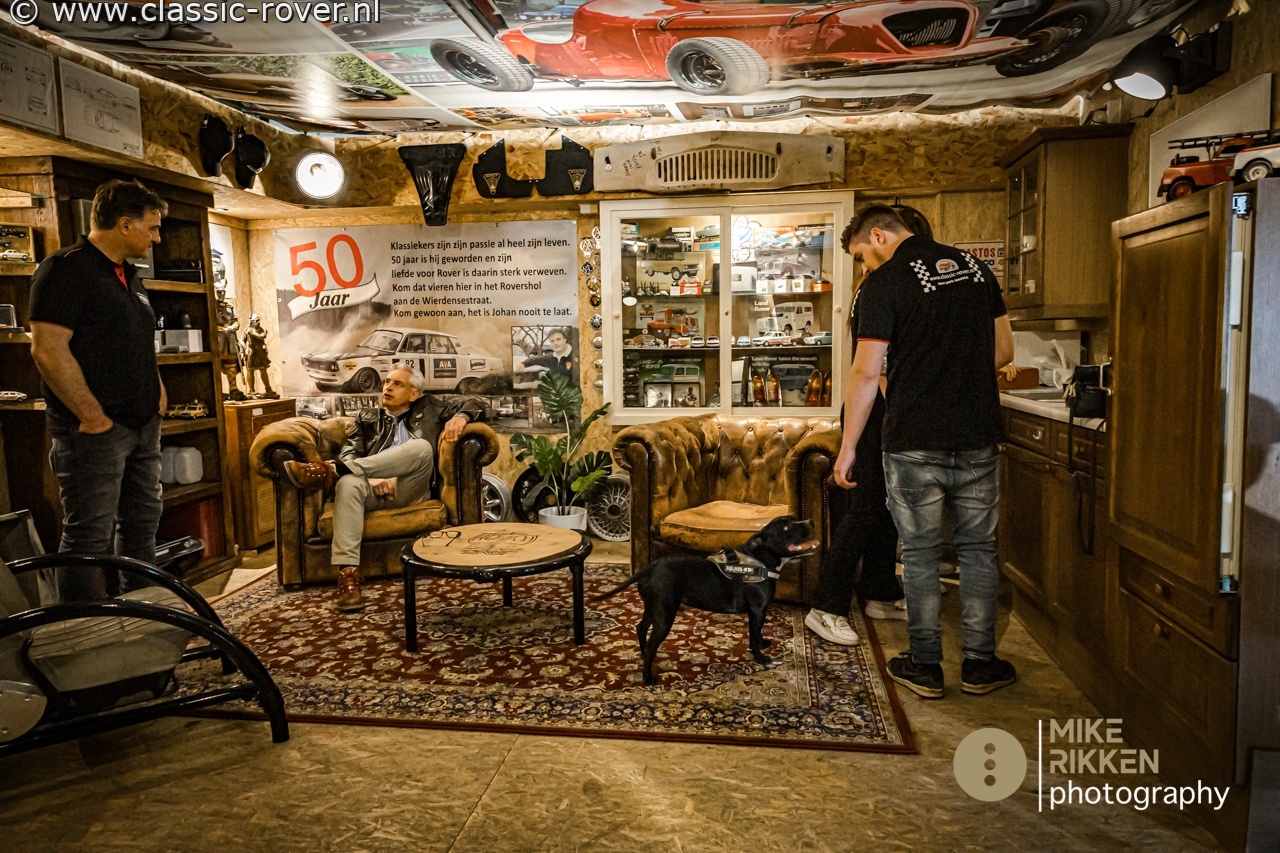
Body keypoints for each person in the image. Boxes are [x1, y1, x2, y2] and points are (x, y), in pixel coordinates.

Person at [838, 205, 1016, 699]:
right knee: (978, 551)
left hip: (914, 437)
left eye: (861, 255)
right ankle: (980, 664)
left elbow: (866, 374)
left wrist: (848, 446)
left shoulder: (884, 284)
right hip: (977, 433)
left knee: (918, 554)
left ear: (878, 235)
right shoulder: (976, 269)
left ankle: (925, 665)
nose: (864, 266)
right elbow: (1005, 351)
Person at [29, 179, 169, 600]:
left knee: (142, 527)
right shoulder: (64, 269)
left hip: (143, 423)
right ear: (124, 225)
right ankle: (82, 631)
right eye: (152, 228)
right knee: (90, 536)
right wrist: (92, 416)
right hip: (95, 431)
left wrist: (158, 391)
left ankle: (143, 617)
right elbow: (48, 350)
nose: (156, 238)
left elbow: (137, 343)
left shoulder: (130, 277)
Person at [280, 365, 485, 611]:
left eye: (397, 383)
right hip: (373, 489)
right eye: (387, 381)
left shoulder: (430, 407)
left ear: (414, 393)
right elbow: (350, 453)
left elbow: (477, 402)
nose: (387, 387)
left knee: (421, 447)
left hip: (411, 488)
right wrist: (369, 479)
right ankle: (348, 575)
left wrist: (462, 416)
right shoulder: (366, 419)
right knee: (347, 482)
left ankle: (331, 470)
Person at [803, 275, 905, 647]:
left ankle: (881, 591)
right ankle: (825, 607)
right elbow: (875, 371)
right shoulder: (877, 288)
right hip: (873, 408)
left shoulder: (880, 287)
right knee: (865, 508)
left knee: (885, 506)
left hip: (879, 407)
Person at [241, 313, 277, 398]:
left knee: (263, 369)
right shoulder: (248, 330)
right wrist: (244, 348)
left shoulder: (260, 329)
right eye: (256, 321)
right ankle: (251, 390)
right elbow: (243, 340)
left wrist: (264, 346)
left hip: (260, 351)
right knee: (250, 370)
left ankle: (268, 389)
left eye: (258, 320)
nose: (257, 322)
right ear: (252, 321)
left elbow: (262, 338)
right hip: (252, 351)